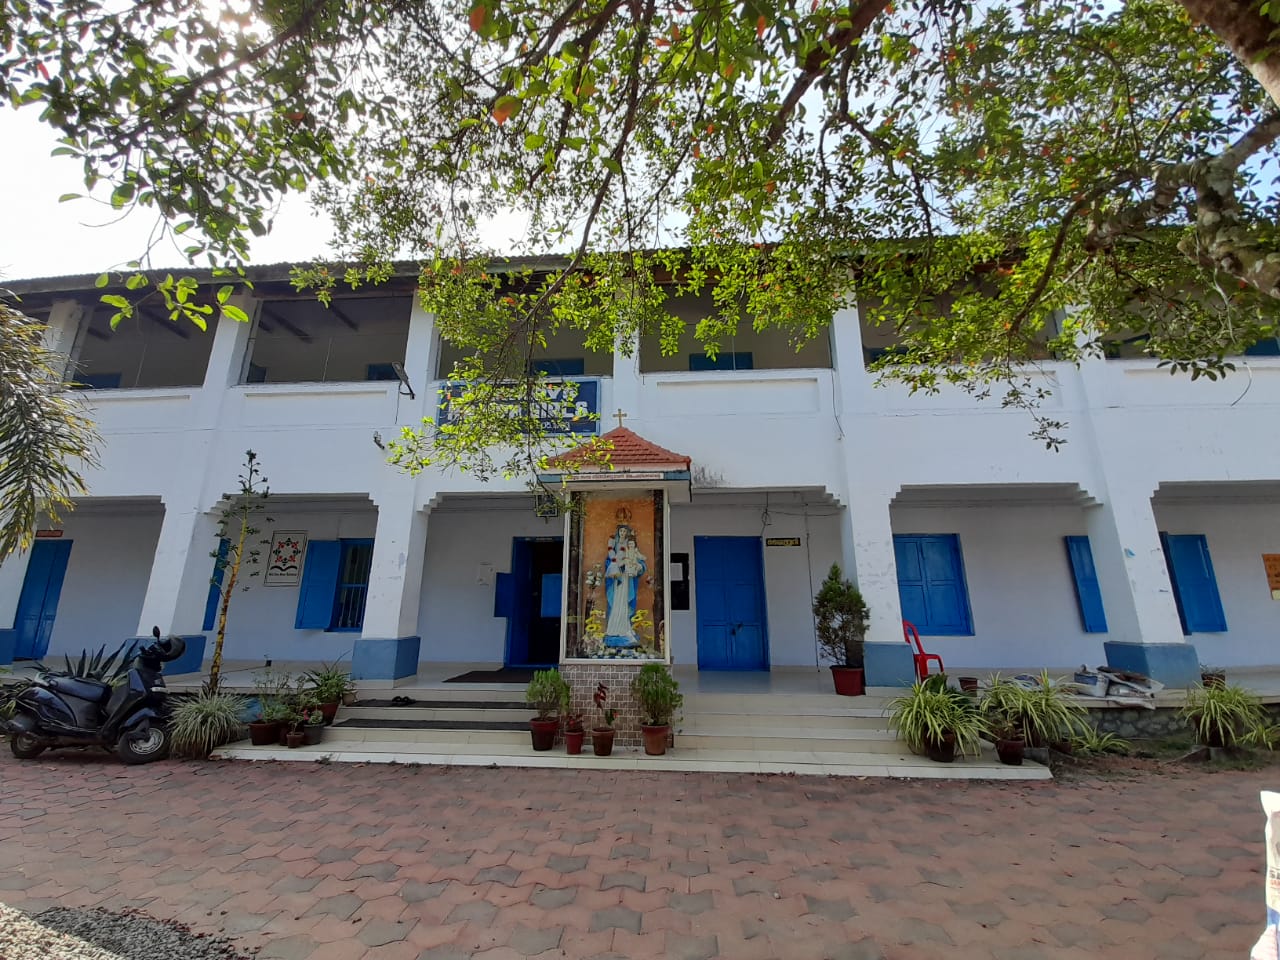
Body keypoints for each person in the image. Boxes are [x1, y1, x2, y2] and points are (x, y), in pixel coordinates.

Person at [603, 524, 646, 648]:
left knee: (625, 602)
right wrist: (616, 566)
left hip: (627, 579)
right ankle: (613, 629)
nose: (622, 533)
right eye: (621, 531)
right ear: (618, 532)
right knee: (616, 602)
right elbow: (609, 563)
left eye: (624, 531)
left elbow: (639, 561)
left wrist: (638, 566)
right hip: (616, 580)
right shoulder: (613, 549)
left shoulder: (630, 546)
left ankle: (625, 628)